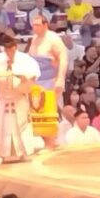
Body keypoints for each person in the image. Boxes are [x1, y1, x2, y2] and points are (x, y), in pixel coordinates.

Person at [0, 35, 41, 165]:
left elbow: (32, 80)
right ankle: (1, 155)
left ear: (15, 48)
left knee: (22, 126)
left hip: (19, 97)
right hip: (4, 97)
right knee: (3, 127)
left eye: (11, 49)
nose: (8, 52)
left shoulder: (26, 60)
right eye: (6, 49)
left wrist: (24, 79)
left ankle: (24, 153)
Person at [27, 15, 68, 149]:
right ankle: (46, 141)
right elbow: (31, 58)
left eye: (38, 25)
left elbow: (63, 58)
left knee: (49, 110)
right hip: (37, 81)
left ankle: (52, 141)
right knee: (38, 111)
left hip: (51, 79)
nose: (35, 28)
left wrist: (60, 79)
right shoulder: (34, 39)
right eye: (33, 25)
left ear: (45, 25)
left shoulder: (53, 39)